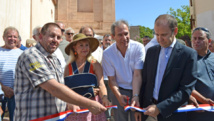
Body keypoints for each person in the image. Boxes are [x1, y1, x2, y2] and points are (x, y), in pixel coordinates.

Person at [14, 23, 106, 120]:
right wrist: (88, 103)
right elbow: (53, 88)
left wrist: (68, 103)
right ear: (41, 36)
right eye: (52, 36)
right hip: (35, 117)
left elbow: (61, 86)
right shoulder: (32, 55)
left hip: (55, 116)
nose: (55, 40)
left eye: (58, 37)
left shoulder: (55, 58)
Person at [136, 14, 197, 121]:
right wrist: (138, 108)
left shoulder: (188, 54)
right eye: (157, 34)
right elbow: (145, 82)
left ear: (175, 31)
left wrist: (160, 108)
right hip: (148, 111)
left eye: (164, 35)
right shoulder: (151, 52)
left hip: (172, 113)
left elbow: (185, 90)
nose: (159, 39)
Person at [102, 20, 145, 121]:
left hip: (137, 89)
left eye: (126, 34)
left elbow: (137, 74)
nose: (124, 38)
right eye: (120, 35)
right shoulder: (107, 54)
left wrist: (135, 96)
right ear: (113, 37)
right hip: (119, 89)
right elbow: (111, 79)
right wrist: (118, 95)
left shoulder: (138, 47)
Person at [64, 33, 111, 121]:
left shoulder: (95, 64)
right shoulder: (68, 67)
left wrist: (105, 97)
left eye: (87, 45)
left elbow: (101, 84)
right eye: (81, 45)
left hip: (93, 105)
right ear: (75, 47)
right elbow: (65, 88)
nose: (85, 48)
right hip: (75, 106)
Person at [187, 27, 214, 121]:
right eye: (194, 38)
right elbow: (186, 86)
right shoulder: (187, 60)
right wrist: (203, 100)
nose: (196, 41)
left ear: (209, 41)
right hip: (199, 110)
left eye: (200, 38)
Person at [0, 27, 23, 121]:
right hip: (0, 94)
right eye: (9, 36)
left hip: (16, 94)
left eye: (15, 37)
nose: (12, 39)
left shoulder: (22, 54)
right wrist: (3, 87)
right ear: (3, 37)